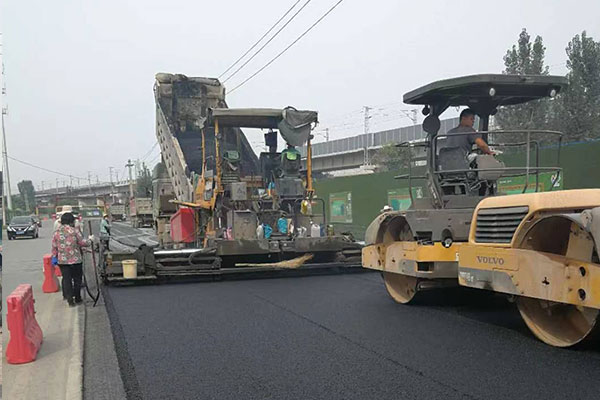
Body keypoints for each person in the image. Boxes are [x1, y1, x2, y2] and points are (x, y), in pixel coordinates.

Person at [51, 212, 92, 307]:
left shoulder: (56, 233)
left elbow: (54, 247)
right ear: (71, 221)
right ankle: (77, 298)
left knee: (67, 280)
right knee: (77, 279)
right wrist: (90, 240)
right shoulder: (75, 231)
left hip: (63, 261)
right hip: (76, 259)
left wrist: (54, 257)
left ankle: (70, 300)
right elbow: (83, 242)